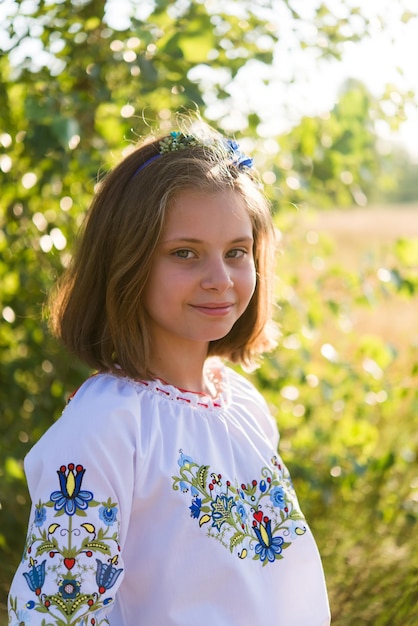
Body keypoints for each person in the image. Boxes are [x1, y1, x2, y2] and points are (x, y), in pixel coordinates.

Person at [8, 118, 330, 626]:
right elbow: (56, 614)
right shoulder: (105, 428)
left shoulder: (243, 405)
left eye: (236, 253)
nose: (220, 280)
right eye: (185, 253)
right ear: (128, 262)